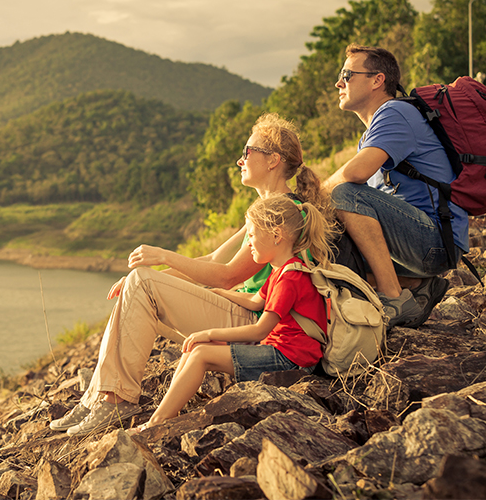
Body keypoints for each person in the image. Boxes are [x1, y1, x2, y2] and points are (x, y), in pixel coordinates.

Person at [50, 113, 329, 436]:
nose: (240, 160)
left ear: (273, 161)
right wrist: (151, 278)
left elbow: (225, 276)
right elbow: (211, 258)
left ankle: (116, 400)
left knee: (141, 281)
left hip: (259, 330)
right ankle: (98, 396)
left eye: (247, 151)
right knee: (136, 287)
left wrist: (160, 259)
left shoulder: (281, 215)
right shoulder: (266, 210)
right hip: (247, 315)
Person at [129, 195, 334, 431]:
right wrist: (218, 292)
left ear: (276, 235)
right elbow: (256, 302)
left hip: (291, 361)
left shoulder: (290, 277)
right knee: (196, 348)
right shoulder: (283, 270)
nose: (249, 244)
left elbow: (260, 329)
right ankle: (165, 412)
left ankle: (157, 423)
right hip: (281, 351)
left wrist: (207, 333)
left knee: (200, 353)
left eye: (253, 236)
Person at [324, 44, 468, 328]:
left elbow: (354, 175)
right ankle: (415, 285)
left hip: (435, 242)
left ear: (377, 80)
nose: (339, 82)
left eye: (348, 74)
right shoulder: (371, 134)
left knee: (344, 194)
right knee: (327, 244)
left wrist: (311, 192)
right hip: (416, 244)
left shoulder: (395, 114)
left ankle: (394, 296)